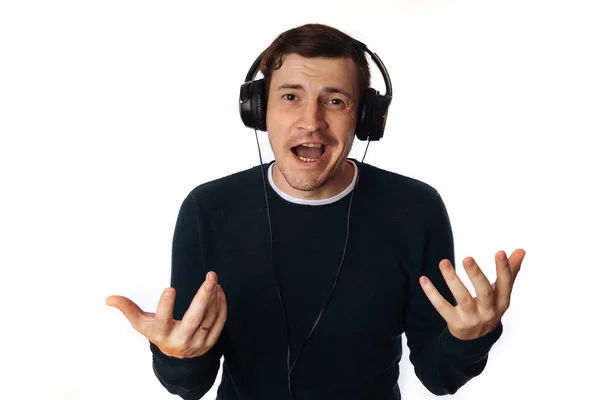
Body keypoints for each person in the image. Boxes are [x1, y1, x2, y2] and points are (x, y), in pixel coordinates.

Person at [106, 23, 526, 400]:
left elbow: (439, 377)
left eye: (336, 101)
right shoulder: (209, 209)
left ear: (364, 119)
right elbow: (190, 385)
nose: (312, 121)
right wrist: (176, 355)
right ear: (258, 110)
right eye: (291, 96)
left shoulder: (414, 209)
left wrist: (472, 337)